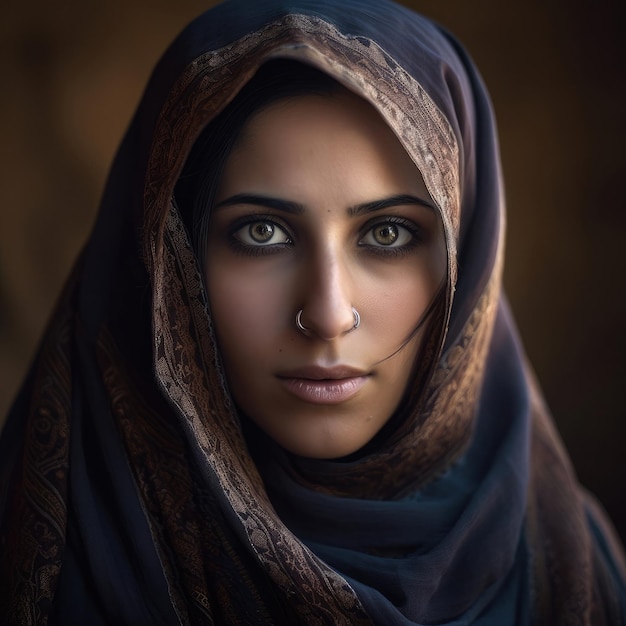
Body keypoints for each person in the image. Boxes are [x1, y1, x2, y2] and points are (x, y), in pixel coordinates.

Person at [1, 0, 624, 623]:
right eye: (263, 233)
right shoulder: (49, 559)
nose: (327, 316)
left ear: (470, 255)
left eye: (387, 234)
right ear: (169, 261)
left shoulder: (580, 567)